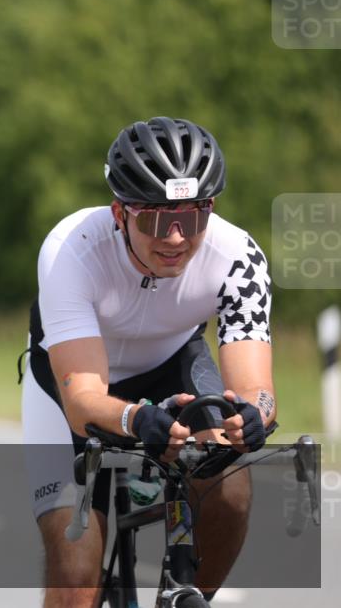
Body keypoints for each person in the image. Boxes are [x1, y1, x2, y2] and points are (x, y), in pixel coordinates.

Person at [20, 117, 274, 607]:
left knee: (231, 490)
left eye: (193, 217)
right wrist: (137, 417)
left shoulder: (238, 256)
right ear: (120, 212)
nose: (177, 237)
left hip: (171, 365)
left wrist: (252, 416)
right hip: (72, 384)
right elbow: (83, 401)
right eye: (157, 219)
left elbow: (255, 389)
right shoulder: (72, 248)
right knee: (74, 572)